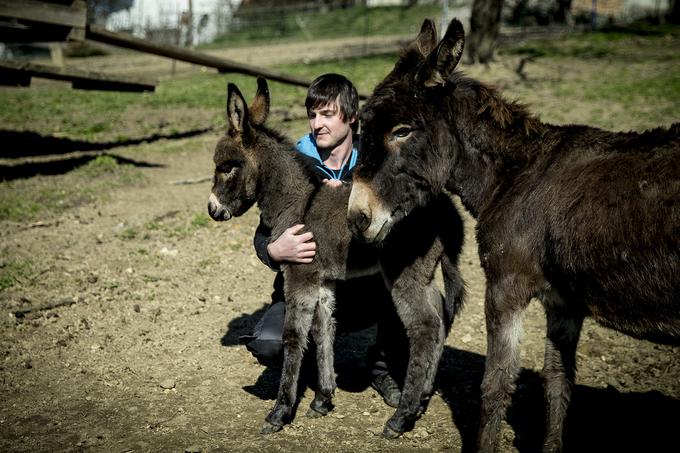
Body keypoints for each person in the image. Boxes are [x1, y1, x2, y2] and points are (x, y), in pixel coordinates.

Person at [239, 73, 404, 407]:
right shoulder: (293, 162)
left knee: (426, 304)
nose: (317, 124)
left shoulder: (374, 162)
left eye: (327, 114)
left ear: (352, 118)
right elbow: (262, 232)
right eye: (312, 115)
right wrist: (273, 250)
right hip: (308, 287)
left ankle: (381, 367)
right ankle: (315, 367)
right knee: (268, 342)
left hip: (364, 288)